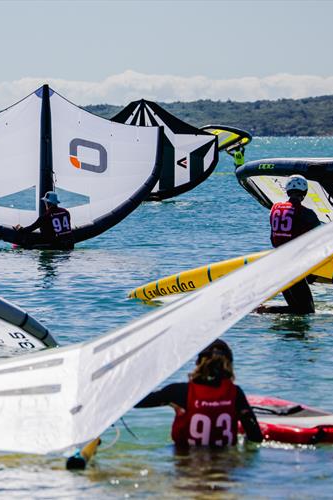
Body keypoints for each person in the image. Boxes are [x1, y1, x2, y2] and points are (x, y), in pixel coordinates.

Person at [135, 339, 263, 448]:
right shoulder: (236, 393)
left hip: (187, 463)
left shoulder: (178, 392)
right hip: (225, 465)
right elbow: (256, 437)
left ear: (198, 363)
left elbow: (133, 402)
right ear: (229, 365)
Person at [260, 175, 322, 314]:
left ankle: (264, 310)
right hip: (294, 265)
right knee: (306, 310)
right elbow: (321, 239)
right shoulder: (307, 213)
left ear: (287, 191)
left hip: (277, 263)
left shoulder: (275, 208)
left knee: (297, 308)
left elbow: (273, 238)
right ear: (305, 193)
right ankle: (263, 310)